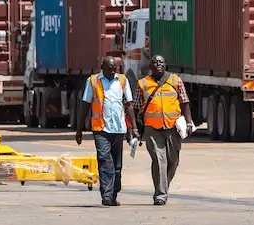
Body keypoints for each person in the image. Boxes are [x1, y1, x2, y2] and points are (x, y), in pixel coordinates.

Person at [75, 56, 138, 207]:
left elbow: (129, 105)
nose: (113, 71)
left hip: (118, 129)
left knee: (117, 166)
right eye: (110, 68)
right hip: (100, 128)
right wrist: (79, 129)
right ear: (102, 66)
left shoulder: (122, 80)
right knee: (105, 161)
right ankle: (106, 195)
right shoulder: (93, 81)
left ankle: (114, 193)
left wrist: (134, 128)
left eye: (115, 68)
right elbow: (85, 106)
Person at [134, 54, 194, 206]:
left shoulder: (175, 80)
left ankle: (163, 186)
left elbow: (184, 102)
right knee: (159, 159)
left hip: (173, 127)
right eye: (155, 62)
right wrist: (134, 129)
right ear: (150, 66)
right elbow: (136, 108)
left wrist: (188, 123)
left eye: (161, 62)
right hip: (152, 129)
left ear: (165, 65)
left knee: (173, 161)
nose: (158, 64)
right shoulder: (142, 83)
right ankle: (160, 194)